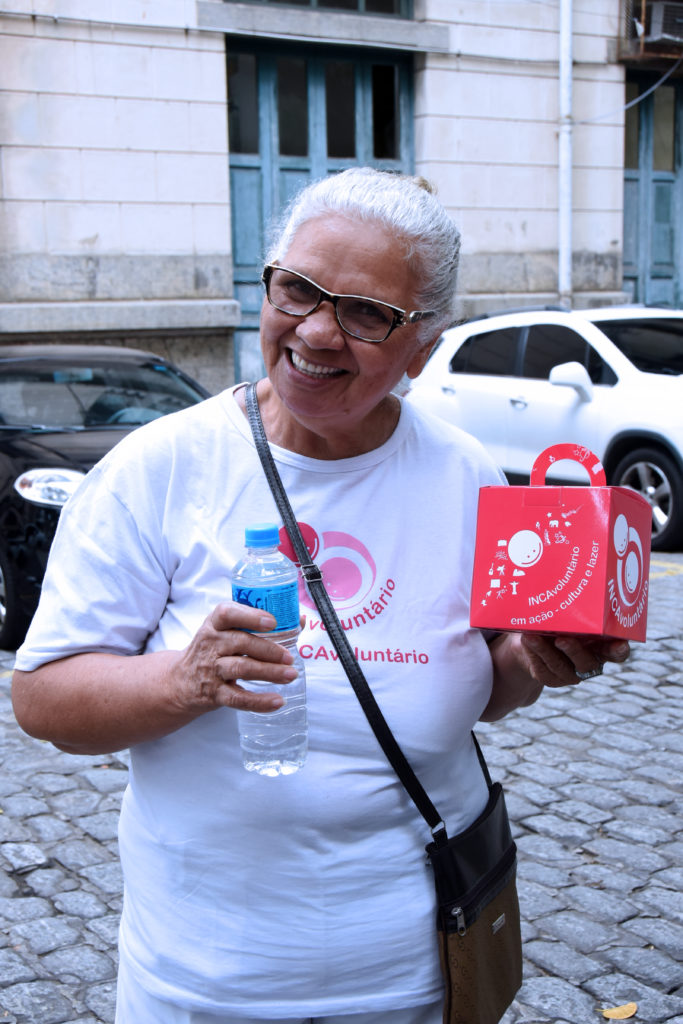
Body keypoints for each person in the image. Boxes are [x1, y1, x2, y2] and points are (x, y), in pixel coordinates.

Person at [11, 167, 629, 1024]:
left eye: (366, 312)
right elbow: (43, 698)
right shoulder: (158, 469)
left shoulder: (464, 478)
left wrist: (530, 657)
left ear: (421, 345)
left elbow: (482, 692)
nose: (314, 330)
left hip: (417, 978)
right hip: (202, 985)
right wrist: (182, 681)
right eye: (296, 289)